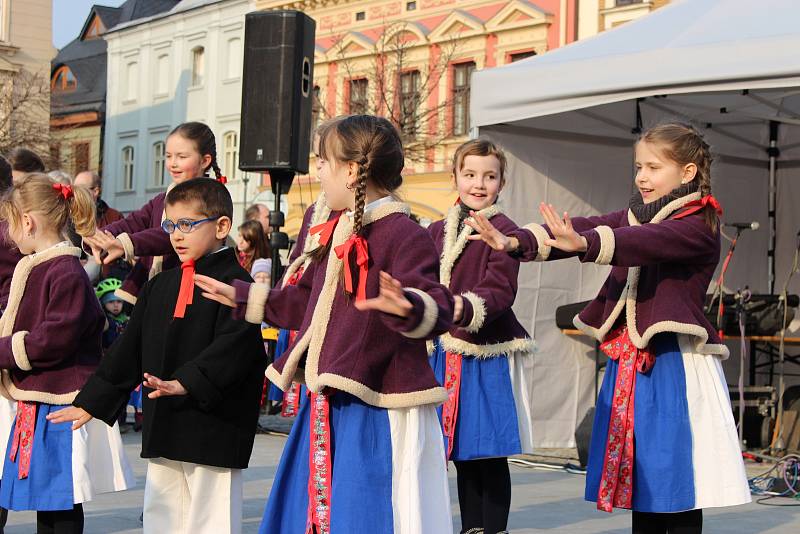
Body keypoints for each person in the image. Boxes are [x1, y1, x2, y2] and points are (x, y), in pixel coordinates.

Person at [466, 123, 751, 534]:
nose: (642, 177)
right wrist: (516, 242)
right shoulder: (638, 214)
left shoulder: (698, 226)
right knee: (642, 475)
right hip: (633, 363)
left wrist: (585, 244)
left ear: (687, 173)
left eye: (653, 167)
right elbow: (587, 224)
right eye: (639, 167)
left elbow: (642, 241)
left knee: (674, 478)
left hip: (674, 364)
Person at [195, 115, 455, 533]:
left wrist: (405, 305)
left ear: (351, 172)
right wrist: (244, 296)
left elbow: (439, 306)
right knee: (312, 512)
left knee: (365, 511)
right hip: (329, 396)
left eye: (322, 161)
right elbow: (303, 304)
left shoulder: (405, 233)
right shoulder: (331, 229)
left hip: (377, 404)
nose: (316, 171)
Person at [49, 178, 266, 534]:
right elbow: (128, 349)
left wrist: (188, 382)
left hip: (214, 425)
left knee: (211, 519)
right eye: (170, 226)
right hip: (165, 419)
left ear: (222, 226)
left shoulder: (237, 285)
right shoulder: (160, 284)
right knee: (162, 515)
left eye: (187, 225)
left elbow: (237, 347)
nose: (176, 236)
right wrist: (92, 400)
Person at [0, 174, 134, 532]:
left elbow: (54, 338)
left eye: (10, 225)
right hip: (45, 398)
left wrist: (4, 351)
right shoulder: (48, 266)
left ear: (27, 222)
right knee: (50, 499)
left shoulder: (64, 272)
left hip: (62, 402)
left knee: (61, 501)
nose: (9, 235)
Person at [428, 139, 535, 534]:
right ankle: (470, 527)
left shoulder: (505, 232)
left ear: (501, 182)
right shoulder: (437, 230)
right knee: (460, 451)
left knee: (487, 449)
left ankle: (494, 529)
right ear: (455, 177)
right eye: (470, 174)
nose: (478, 183)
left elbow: (501, 290)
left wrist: (464, 308)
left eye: (489, 176)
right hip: (444, 352)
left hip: (484, 352)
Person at [83, 121, 227, 304]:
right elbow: (132, 223)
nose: (173, 163)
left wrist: (125, 244)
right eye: (168, 156)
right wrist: (98, 238)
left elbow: (169, 235)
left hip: (191, 292)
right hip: (156, 291)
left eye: (182, 156)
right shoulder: (161, 200)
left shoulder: (210, 200)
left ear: (205, 161)